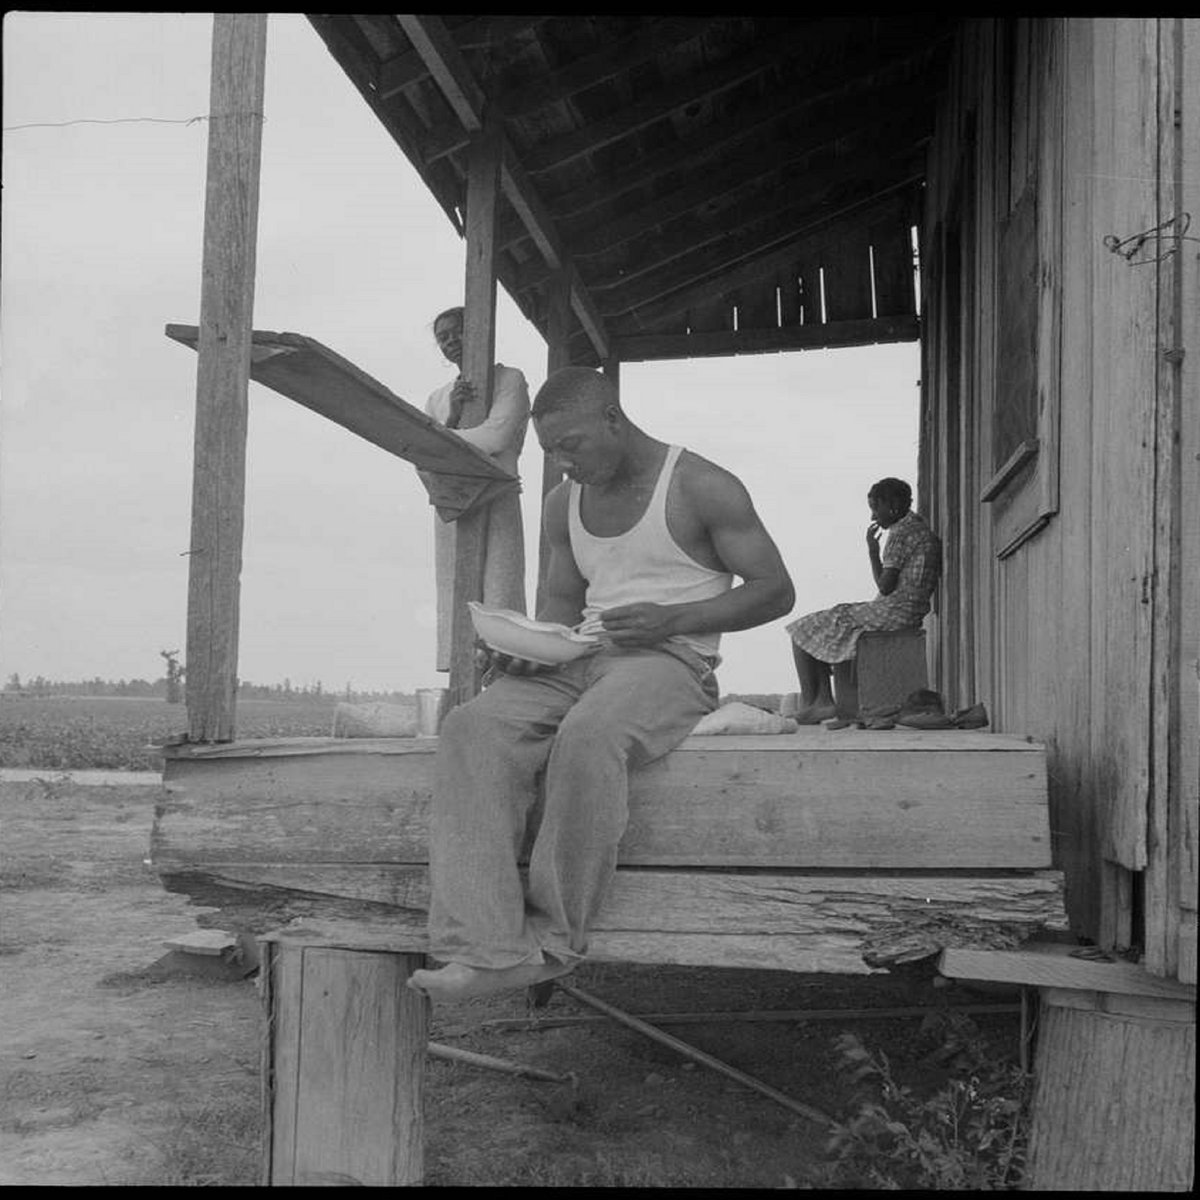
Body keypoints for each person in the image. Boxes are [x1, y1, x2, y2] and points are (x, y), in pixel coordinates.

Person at [408, 366, 795, 1001]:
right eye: (551, 452)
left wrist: (674, 618)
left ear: (612, 420)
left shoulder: (702, 486)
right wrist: (530, 652)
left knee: (590, 735)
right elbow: (562, 605)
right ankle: (487, 949)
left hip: (670, 660)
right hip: (581, 656)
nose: (563, 463)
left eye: (572, 446)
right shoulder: (564, 505)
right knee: (472, 726)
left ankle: (554, 943)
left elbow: (776, 591)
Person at [424, 305, 530, 672]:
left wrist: (442, 439)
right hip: (454, 505)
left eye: (459, 331)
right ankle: (461, 681)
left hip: (498, 498)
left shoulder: (510, 380)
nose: (451, 341)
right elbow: (423, 457)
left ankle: (503, 675)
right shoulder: (437, 399)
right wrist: (452, 416)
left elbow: (496, 437)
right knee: (456, 596)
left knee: (500, 592)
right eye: (443, 337)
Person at [785, 477, 942, 724]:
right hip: (910, 610)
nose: (872, 516)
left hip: (895, 612)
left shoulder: (901, 534)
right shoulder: (920, 529)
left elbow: (885, 587)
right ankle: (822, 700)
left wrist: (872, 551)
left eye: (875, 508)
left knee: (801, 629)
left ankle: (816, 702)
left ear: (893, 505)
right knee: (825, 623)